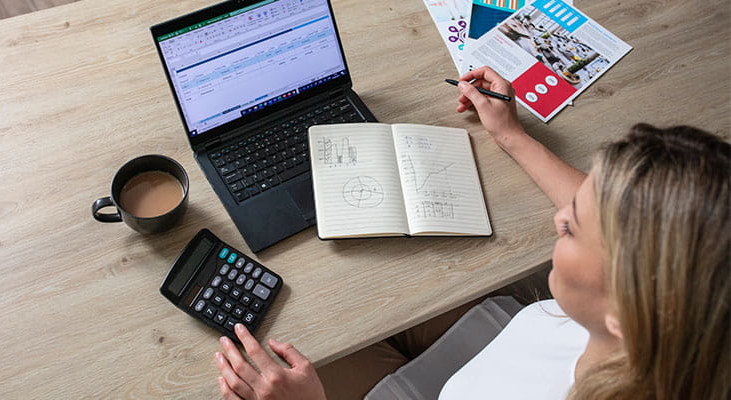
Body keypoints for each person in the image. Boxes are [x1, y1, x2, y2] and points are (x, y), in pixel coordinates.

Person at [211, 66, 730, 400]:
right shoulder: (690, 307)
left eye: (571, 229)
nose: (559, 216)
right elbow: (627, 218)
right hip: (493, 341)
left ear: (626, 312)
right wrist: (511, 134)